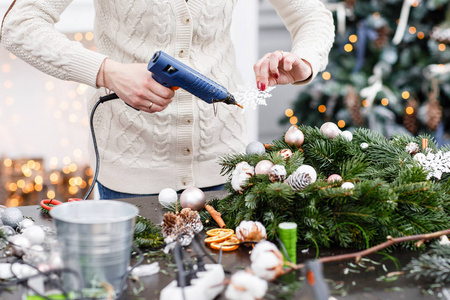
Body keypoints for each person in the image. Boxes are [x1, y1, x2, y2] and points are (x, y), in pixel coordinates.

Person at [1, 0, 334, 200]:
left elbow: (313, 17)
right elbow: (19, 24)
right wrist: (108, 72)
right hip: (130, 172)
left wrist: (303, 61)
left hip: (228, 166)